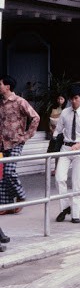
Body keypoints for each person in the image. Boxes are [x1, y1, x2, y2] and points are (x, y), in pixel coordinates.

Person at [53, 86, 80, 223]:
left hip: (79, 149)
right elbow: (58, 130)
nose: (74, 102)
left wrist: (79, 145)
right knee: (59, 178)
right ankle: (65, 208)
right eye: (72, 99)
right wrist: (54, 138)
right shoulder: (65, 113)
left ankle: (75, 213)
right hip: (65, 148)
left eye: (76, 98)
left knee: (77, 182)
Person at [0, 75, 40, 215]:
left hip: (16, 142)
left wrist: (27, 135)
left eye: (0, 84)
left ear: (7, 86)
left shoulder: (19, 101)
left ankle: (21, 196)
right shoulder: (1, 103)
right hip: (2, 144)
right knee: (2, 176)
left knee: (9, 172)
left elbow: (35, 117)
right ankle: (6, 205)